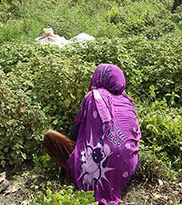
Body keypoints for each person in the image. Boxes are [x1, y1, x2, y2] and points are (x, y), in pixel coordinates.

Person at [42, 64, 141, 204]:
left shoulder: (94, 97)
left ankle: (78, 177)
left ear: (99, 78)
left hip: (99, 166)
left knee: (50, 137)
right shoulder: (128, 102)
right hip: (127, 168)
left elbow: (75, 134)